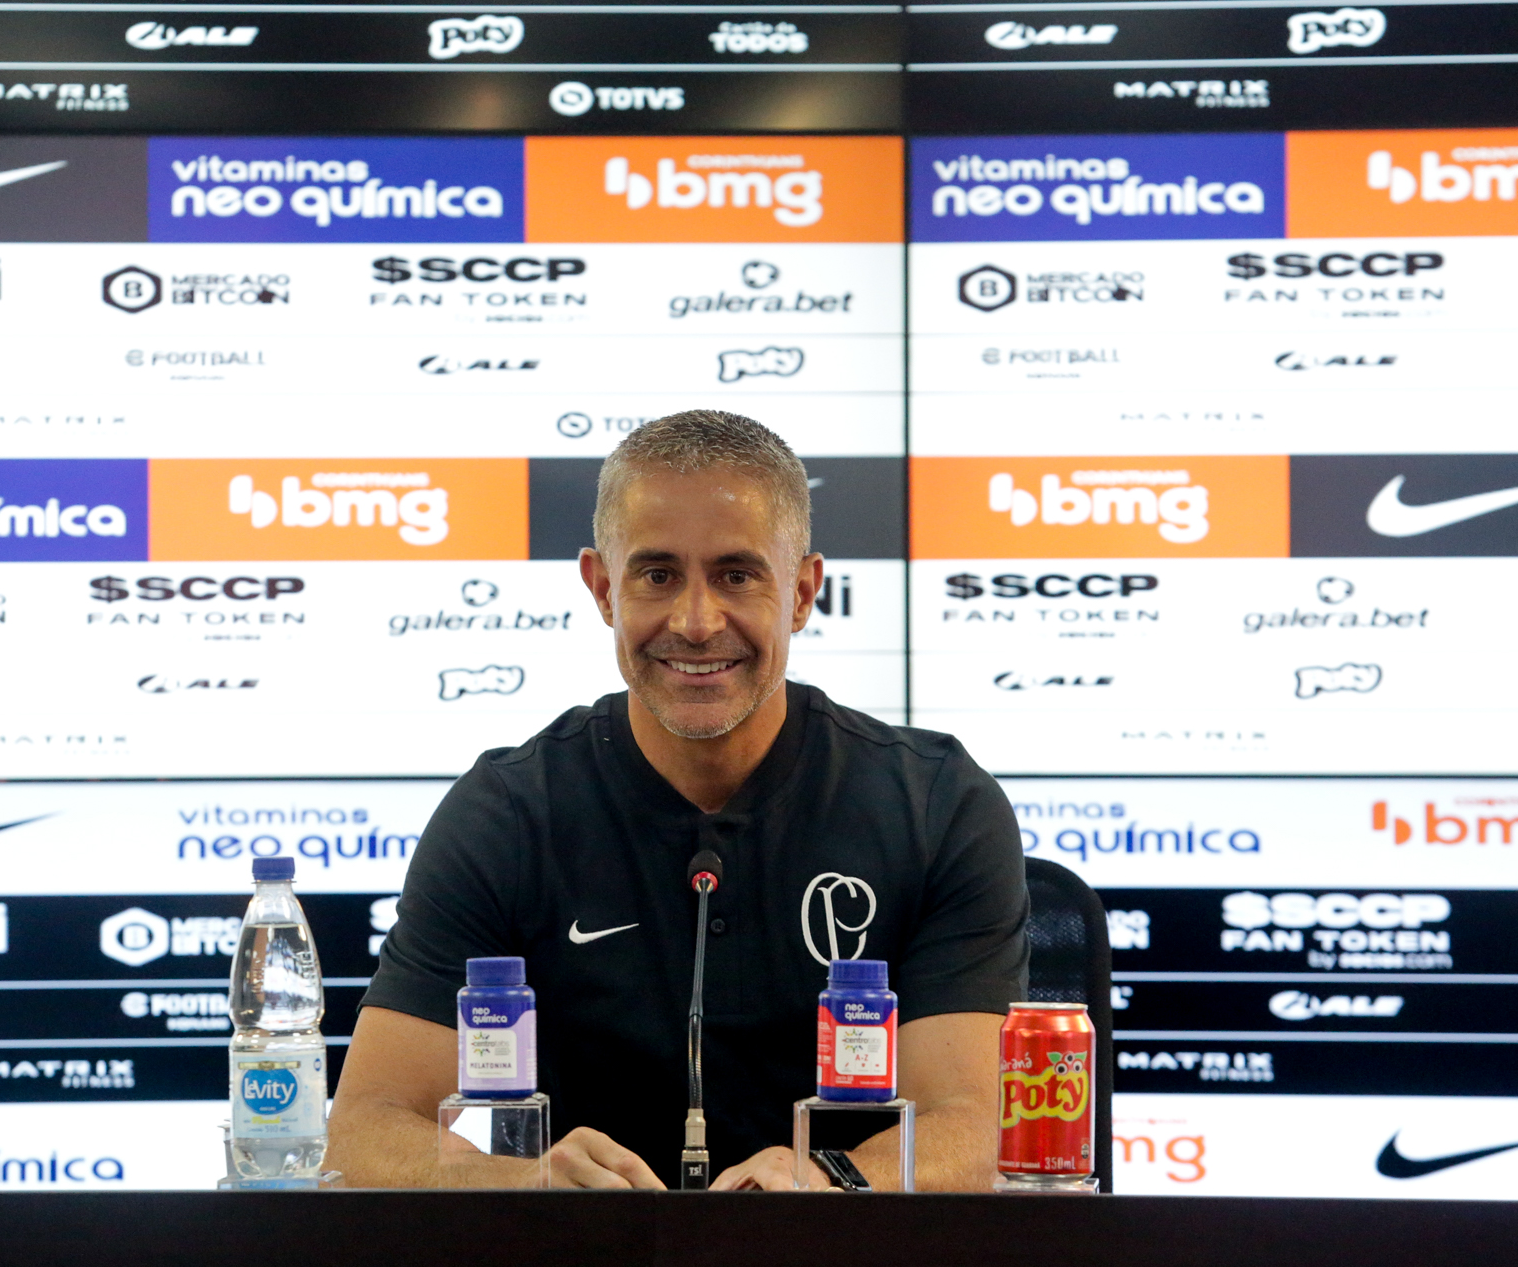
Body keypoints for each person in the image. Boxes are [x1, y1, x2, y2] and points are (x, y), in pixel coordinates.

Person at [325, 410, 1027, 1190]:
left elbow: (980, 1126)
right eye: (658, 575)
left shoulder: (937, 804)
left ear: (801, 592)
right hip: (582, 1253)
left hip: (843, 1250)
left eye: (736, 575)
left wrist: (827, 1184)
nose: (696, 622)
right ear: (603, 588)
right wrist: (524, 1185)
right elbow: (363, 1131)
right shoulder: (505, 812)